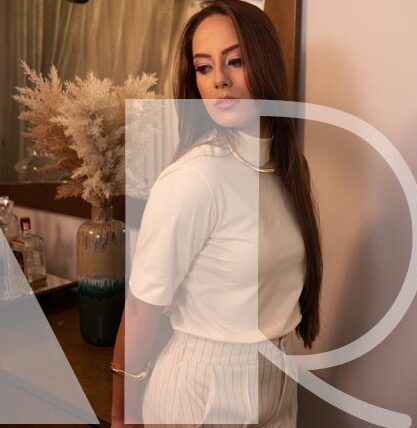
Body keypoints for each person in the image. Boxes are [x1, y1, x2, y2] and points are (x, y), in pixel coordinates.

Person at [111, 0, 322, 426]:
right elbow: (140, 310)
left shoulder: (290, 168)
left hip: (279, 378)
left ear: (264, 62)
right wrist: (123, 416)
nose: (219, 80)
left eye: (235, 61)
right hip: (201, 390)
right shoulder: (194, 179)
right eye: (203, 67)